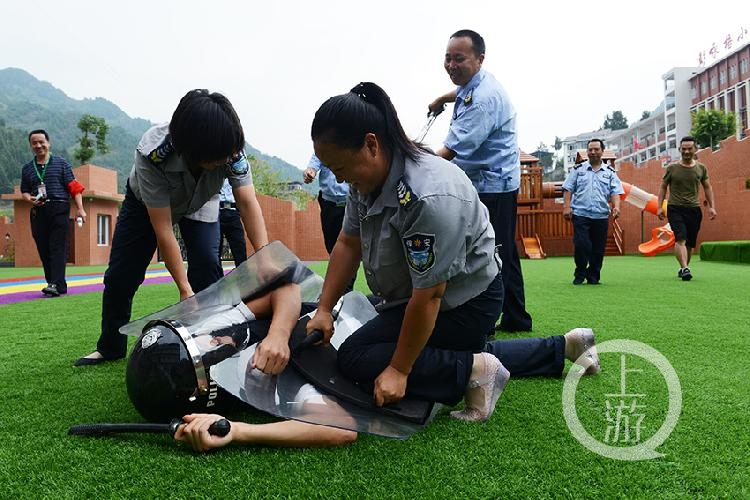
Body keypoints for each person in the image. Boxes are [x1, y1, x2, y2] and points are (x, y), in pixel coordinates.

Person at [304, 82, 601, 426]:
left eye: (340, 169)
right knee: (394, 333)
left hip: (465, 303)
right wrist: (324, 309)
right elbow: (348, 242)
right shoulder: (365, 180)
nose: (340, 181)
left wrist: (399, 370)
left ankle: (476, 371)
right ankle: (566, 346)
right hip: (416, 294)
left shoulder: (427, 195)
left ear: (371, 144)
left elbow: (430, 297)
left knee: (357, 356)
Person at [75, 89, 269, 366]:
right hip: (146, 205)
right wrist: (183, 289)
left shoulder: (231, 150)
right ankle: (110, 346)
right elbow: (163, 230)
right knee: (121, 274)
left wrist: (264, 257)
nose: (227, 160)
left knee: (207, 266)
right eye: (218, 157)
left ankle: (213, 342)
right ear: (191, 149)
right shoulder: (153, 153)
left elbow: (247, 203)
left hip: (201, 201)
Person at [427, 29, 532, 333]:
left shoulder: (483, 101)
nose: (451, 65)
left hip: (492, 185)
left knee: (491, 252)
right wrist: (440, 99)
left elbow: (449, 151)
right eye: (447, 58)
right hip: (491, 181)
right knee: (504, 250)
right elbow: (460, 91)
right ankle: (517, 317)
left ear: (479, 59)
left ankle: (485, 321)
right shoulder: (474, 84)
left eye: (459, 59)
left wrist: (414, 163)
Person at [20, 129, 86, 297]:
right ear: (30, 146)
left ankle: (55, 283)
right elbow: (25, 191)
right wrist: (30, 199)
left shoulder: (61, 163)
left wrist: (80, 209)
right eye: (34, 143)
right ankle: (55, 284)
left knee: (58, 247)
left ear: (48, 143)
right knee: (43, 248)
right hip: (38, 211)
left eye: (41, 142)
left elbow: (74, 188)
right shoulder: (27, 168)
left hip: (59, 208)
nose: (38, 145)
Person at [562, 139, 624, 285]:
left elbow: (616, 192)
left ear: (602, 151)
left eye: (596, 149)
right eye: (590, 149)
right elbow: (567, 189)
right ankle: (580, 273)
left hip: (601, 215)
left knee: (598, 248)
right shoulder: (578, 170)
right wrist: (566, 207)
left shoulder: (610, 173)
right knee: (582, 244)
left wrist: (616, 207)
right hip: (580, 214)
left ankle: (594, 276)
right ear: (587, 152)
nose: (593, 152)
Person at [657, 136, 717, 281]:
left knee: (690, 243)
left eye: (689, 148)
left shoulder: (701, 168)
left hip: (694, 209)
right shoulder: (672, 168)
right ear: (679, 150)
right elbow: (663, 187)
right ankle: (685, 268)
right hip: (675, 207)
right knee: (681, 238)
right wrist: (659, 207)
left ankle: (683, 267)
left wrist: (712, 207)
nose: (686, 151)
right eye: (683, 149)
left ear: (695, 149)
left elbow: (707, 187)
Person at [302, 153, 355, 293]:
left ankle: (346, 290)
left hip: (350, 202)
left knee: (350, 246)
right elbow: (317, 157)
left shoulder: (352, 140)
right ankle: (338, 285)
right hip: (328, 203)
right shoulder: (326, 140)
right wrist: (311, 170)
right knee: (332, 246)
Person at [218, 178, 248, 266]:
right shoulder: (214, 174)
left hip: (233, 212)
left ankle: (243, 277)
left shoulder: (236, 175)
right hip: (216, 212)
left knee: (240, 247)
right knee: (215, 250)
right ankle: (217, 278)